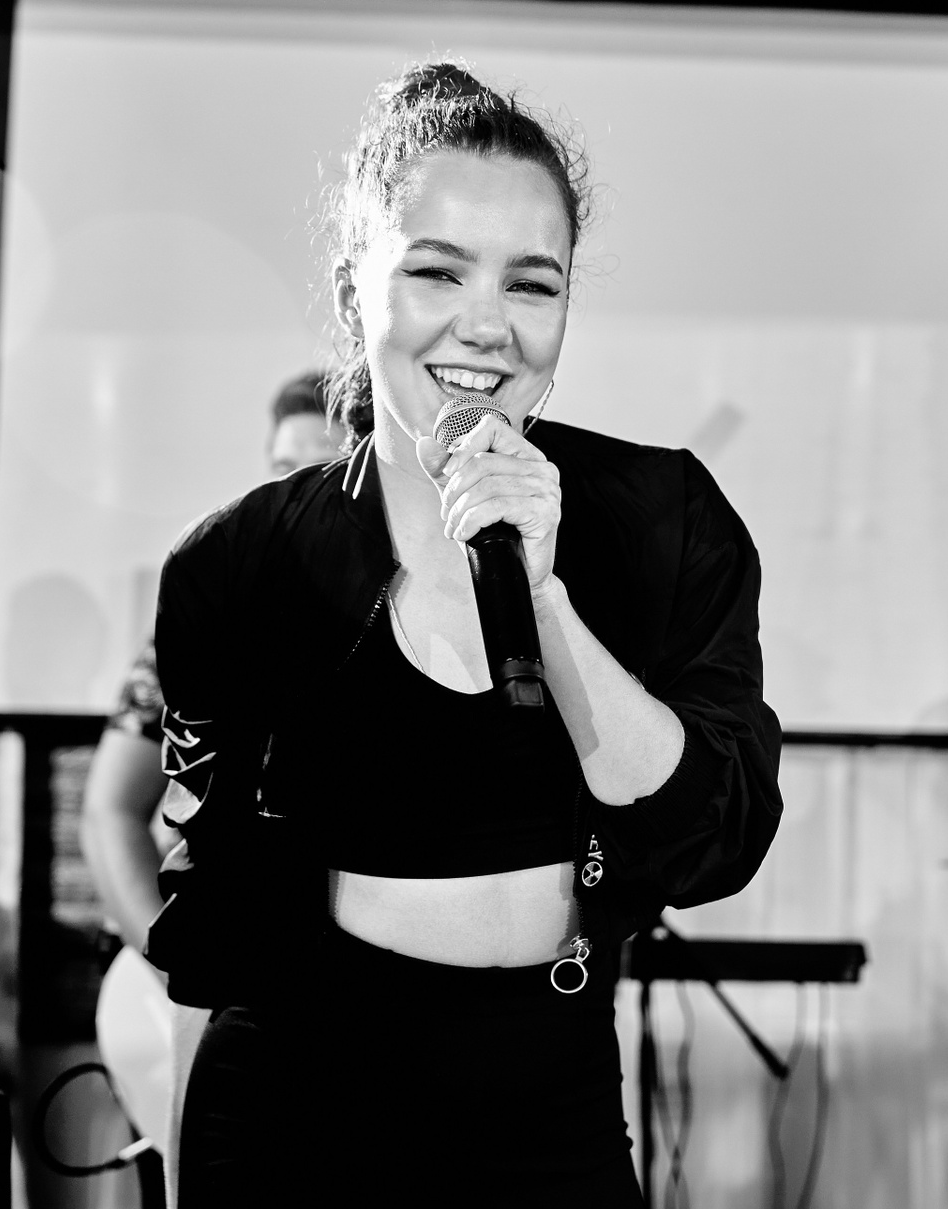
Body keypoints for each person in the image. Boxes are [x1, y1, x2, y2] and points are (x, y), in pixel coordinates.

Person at [146, 64, 782, 1206]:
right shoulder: (238, 565)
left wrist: (545, 593)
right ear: (355, 292)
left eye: (532, 284)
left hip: (552, 1089)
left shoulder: (664, 522)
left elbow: (712, 841)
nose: (487, 327)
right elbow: (214, 909)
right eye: (437, 271)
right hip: (301, 1098)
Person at [79, 371, 344, 1199]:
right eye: (283, 467)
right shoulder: (210, 608)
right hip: (226, 990)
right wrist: (169, 966)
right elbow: (110, 810)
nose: (296, 490)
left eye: (325, 465)